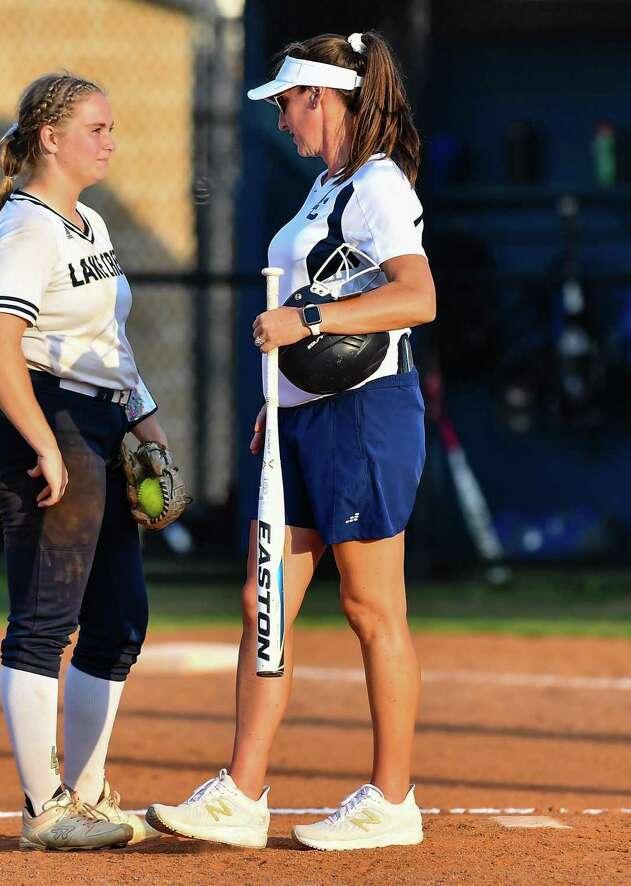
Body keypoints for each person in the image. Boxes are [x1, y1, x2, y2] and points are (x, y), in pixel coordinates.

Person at [147, 31, 436, 851]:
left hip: (366, 414)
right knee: (261, 600)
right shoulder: (324, 188)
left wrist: (306, 319)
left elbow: (417, 297)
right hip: (303, 417)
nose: (280, 120)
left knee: (372, 607)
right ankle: (242, 794)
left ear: (321, 96)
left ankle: (392, 799)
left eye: (285, 103)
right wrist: (279, 400)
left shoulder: (377, 185)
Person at [0, 72, 186, 851]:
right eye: (96, 127)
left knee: (120, 617)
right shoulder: (27, 227)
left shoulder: (87, 222)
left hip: (97, 421)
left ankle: (85, 794)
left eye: (112, 127)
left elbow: (111, 348)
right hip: (43, 419)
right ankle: (43, 809)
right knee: (45, 619)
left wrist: (146, 422)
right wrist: (45, 445)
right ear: (49, 138)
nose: (111, 140)